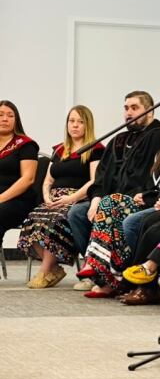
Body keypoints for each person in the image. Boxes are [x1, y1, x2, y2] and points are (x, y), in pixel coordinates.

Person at [76, 102, 160, 297]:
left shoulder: (158, 139)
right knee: (79, 212)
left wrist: (154, 198)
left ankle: (107, 270)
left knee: (120, 213)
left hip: (159, 203)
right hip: (147, 199)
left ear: (149, 111)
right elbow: (153, 184)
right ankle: (105, 274)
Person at [19, 106, 103, 288]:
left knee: (54, 221)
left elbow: (94, 181)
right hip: (54, 199)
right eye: (72, 121)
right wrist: (47, 197)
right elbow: (48, 180)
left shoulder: (95, 149)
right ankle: (54, 267)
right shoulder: (59, 150)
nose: (75, 126)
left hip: (79, 198)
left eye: (80, 122)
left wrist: (71, 198)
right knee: (32, 220)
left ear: (87, 125)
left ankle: (44, 271)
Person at [0, 101, 39, 246]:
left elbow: (28, 179)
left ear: (16, 120)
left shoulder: (26, 145)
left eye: (10, 116)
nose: (5, 119)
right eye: (1, 115)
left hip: (18, 201)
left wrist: (1, 198)